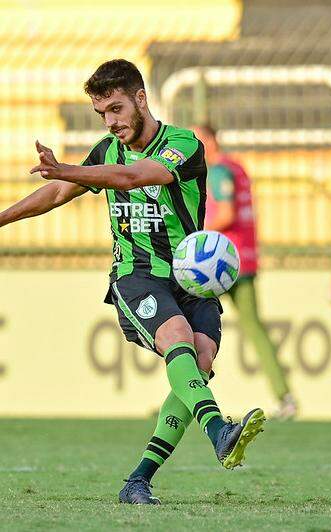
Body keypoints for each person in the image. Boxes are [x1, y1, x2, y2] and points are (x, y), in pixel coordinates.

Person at [0, 59, 266, 505]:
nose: (111, 122)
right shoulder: (106, 151)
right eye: (102, 114)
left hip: (189, 279)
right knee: (178, 337)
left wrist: (65, 168)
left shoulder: (182, 144)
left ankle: (138, 481)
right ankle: (219, 429)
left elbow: (134, 177)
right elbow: (56, 194)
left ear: (141, 98)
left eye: (117, 109)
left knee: (198, 363)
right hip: (136, 275)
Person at [193, 124, 297, 419]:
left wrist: (194, 237)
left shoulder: (220, 170)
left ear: (210, 140)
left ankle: (186, 396)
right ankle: (285, 396)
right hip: (241, 260)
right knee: (255, 329)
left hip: (216, 264)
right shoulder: (237, 168)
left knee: (185, 329)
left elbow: (225, 213)